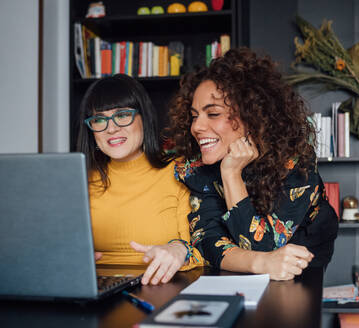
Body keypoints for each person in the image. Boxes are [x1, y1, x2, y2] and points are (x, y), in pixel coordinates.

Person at [166, 47, 338, 280]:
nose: (196, 127)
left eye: (213, 114)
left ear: (252, 116)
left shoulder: (295, 161)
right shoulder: (199, 170)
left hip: (300, 272)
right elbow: (207, 241)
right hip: (241, 271)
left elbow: (263, 244)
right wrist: (261, 263)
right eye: (195, 115)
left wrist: (231, 174)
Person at [77, 74, 202, 285]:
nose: (111, 128)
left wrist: (179, 249)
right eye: (99, 119)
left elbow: (203, 248)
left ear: (144, 117)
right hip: (94, 291)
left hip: (163, 287)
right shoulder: (79, 180)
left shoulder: (179, 171)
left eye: (123, 115)